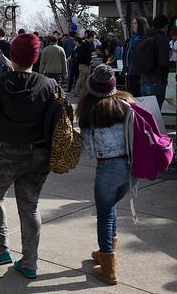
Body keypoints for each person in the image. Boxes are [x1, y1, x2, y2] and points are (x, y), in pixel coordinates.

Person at [0, 33, 56, 279]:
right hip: (39, 154)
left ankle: (1, 250)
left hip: (6, 153)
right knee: (30, 208)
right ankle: (29, 263)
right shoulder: (49, 85)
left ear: (12, 56)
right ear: (35, 57)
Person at [77, 64, 134, 285]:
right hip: (132, 166)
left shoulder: (90, 110)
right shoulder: (128, 102)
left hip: (108, 167)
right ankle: (107, 251)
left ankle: (108, 268)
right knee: (110, 208)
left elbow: (90, 151)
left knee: (104, 213)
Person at [139, 15, 171, 108]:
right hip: (157, 81)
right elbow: (163, 62)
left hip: (144, 80)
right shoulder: (162, 39)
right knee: (154, 115)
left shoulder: (146, 37)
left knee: (146, 113)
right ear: (165, 26)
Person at [123, 16, 148, 97]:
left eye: (135, 23)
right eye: (132, 23)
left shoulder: (145, 39)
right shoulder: (132, 39)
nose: (133, 25)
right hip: (130, 71)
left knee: (138, 96)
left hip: (138, 73)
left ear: (141, 25)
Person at [73, 31, 95, 96]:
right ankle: (76, 92)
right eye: (93, 38)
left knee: (86, 78)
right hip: (83, 64)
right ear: (90, 37)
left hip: (87, 64)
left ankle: (84, 92)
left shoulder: (87, 44)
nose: (94, 39)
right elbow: (81, 54)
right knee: (81, 78)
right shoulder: (84, 44)